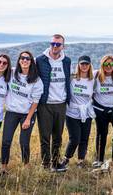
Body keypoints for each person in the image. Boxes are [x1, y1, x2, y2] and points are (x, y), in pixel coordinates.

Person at [1, 51, 43, 172]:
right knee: (6, 140)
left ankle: (26, 165)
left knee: (24, 141)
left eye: (27, 59)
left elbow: (36, 102)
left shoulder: (36, 80)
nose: (25, 60)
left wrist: (28, 119)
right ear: (19, 60)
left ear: (31, 62)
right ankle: (3, 167)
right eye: (22, 58)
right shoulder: (12, 72)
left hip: (27, 114)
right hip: (12, 112)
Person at [36, 34, 71, 172]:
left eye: (58, 44)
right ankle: (45, 165)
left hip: (61, 104)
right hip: (45, 104)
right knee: (45, 136)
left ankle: (56, 163)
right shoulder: (40, 60)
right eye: (52, 43)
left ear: (63, 46)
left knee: (58, 136)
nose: (54, 46)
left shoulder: (66, 61)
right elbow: (25, 71)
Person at [60, 55, 96, 168]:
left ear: (90, 65)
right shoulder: (72, 78)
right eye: (82, 64)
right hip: (71, 113)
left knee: (84, 138)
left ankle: (81, 161)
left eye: (86, 64)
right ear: (78, 65)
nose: (84, 66)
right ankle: (66, 158)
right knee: (75, 138)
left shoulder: (93, 80)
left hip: (86, 113)